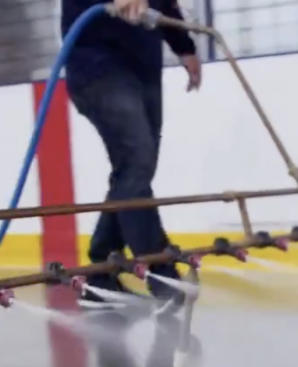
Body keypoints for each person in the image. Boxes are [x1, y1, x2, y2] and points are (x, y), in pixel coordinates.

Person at [61, 0, 202, 306]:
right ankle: (160, 269)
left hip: (143, 70)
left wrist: (185, 47)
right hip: (97, 66)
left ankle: (100, 273)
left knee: (135, 169)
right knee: (137, 158)